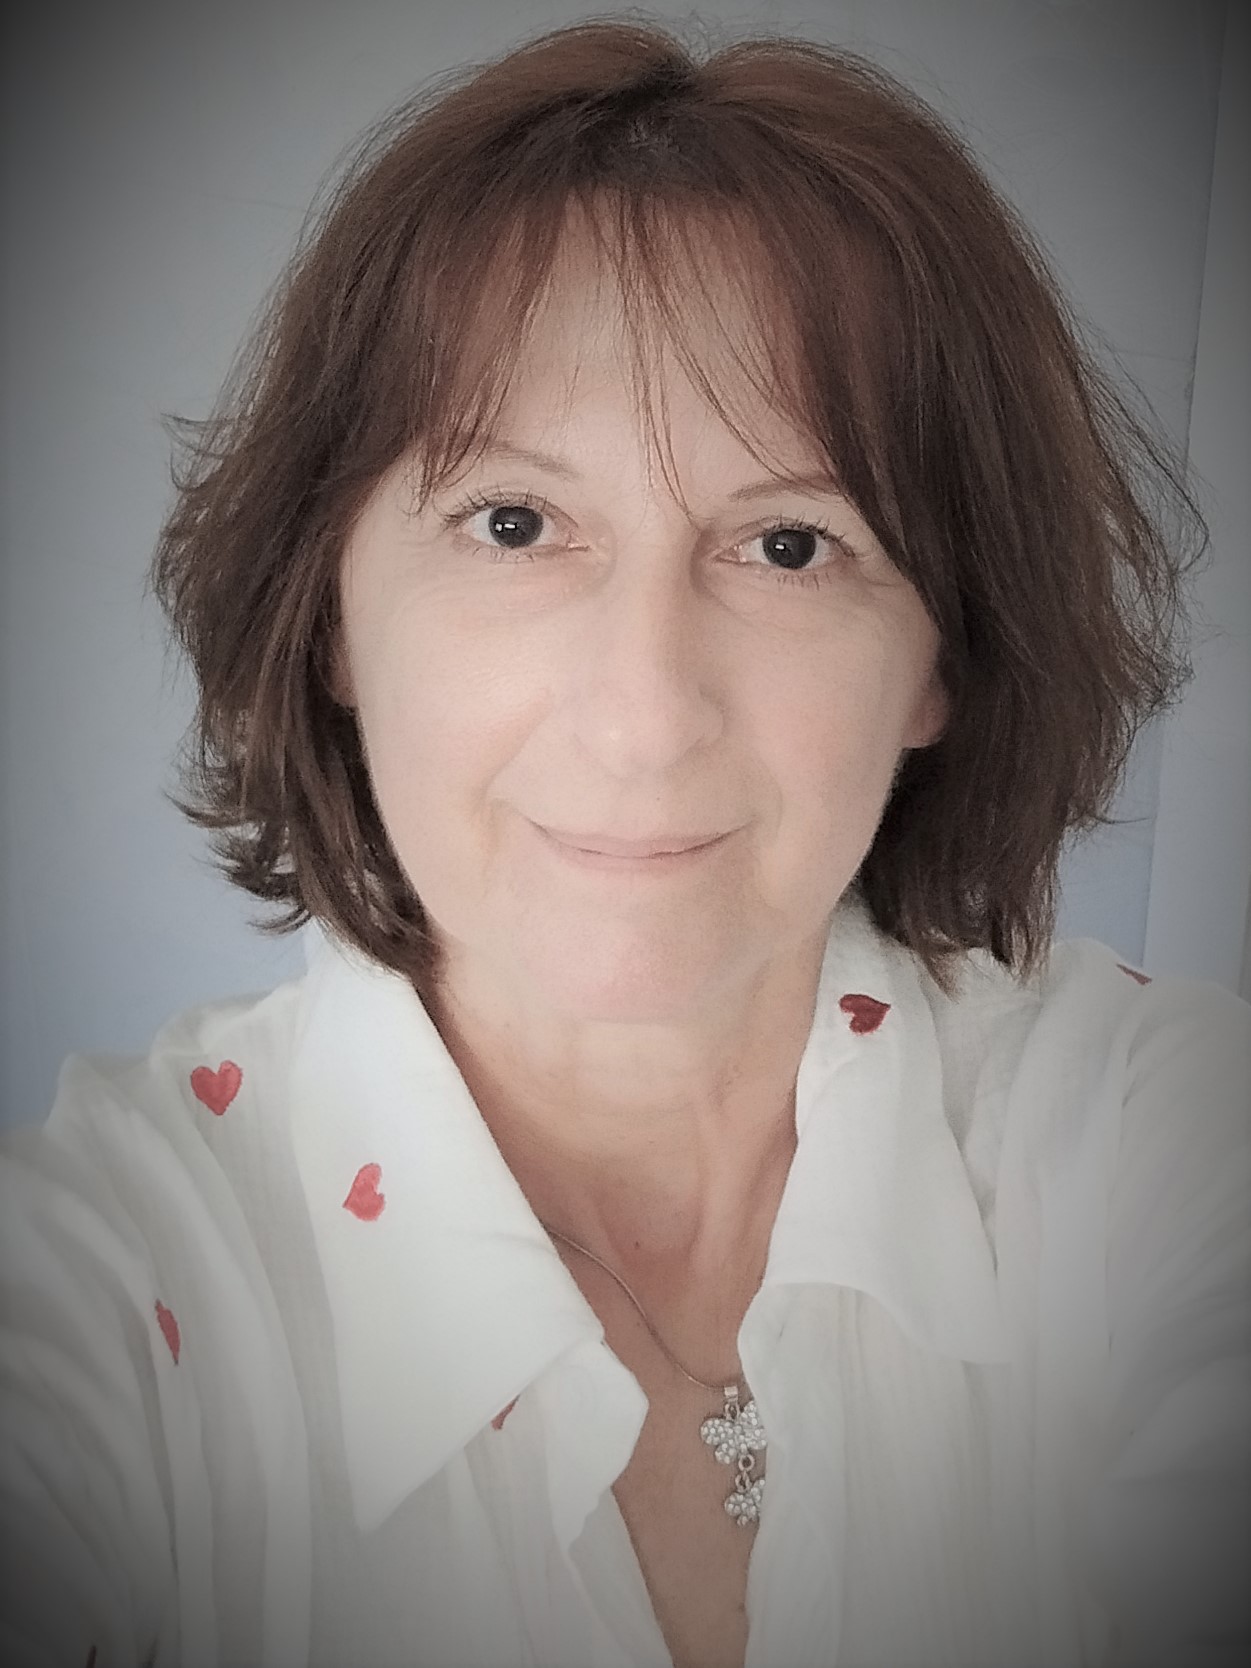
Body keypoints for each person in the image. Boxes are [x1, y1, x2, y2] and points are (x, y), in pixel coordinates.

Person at [2, 18, 1247, 1668]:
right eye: (515, 523)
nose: (646, 715)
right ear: (334, 616)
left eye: (789, 544)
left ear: (940, 654)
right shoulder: (102, 1270)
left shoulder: (1173, 1146)